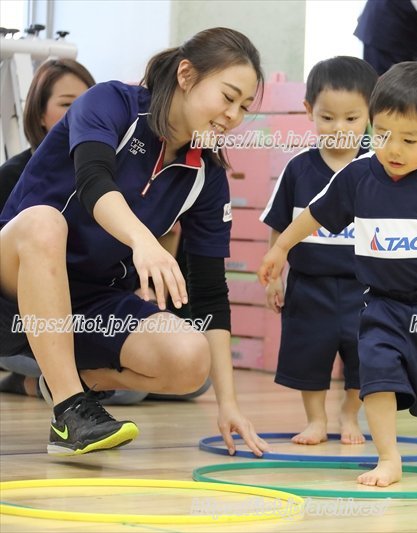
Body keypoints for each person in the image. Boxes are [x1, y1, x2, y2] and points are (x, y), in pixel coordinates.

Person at [0, 27, 270, 457]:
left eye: (244, 107)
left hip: (90, 304)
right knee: (44, 223)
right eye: (228, 96)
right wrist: (144, 240)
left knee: (190, 358)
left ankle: (71, 385)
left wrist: (229, 404)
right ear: (186, 75)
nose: (234, 116)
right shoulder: (110, 102)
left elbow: (211, 294)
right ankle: (70, 411)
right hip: (13, 282)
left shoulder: (207, 177)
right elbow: (93, 181)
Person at [258, 62, 417, 487]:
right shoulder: (358, 174)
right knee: (376, 376)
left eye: (409, 139)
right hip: (380, 303)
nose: (394, 149)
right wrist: (281, 248)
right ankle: (389, 458)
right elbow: (315, 214)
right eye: (383, 134)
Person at [260, 56, 378, 445]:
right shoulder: (298, 169)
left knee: (365, 356)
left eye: (352, 118)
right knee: (308, 355)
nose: (339, 128)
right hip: (309, 286)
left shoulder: (377, 168)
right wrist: (274, 278)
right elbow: (280, 226)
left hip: (366, 287)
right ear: (309, 110)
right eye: (328, 118)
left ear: (370, 114)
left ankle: (350, 414)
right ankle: (315, 419)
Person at [0, 59, 95, 397]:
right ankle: (41, 380)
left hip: (85, 314)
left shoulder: (101, 174)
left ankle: (36, 383)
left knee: (194, 376)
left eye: (88, 103)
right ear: (40, 114)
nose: (80, 114)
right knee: (126, 389)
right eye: (67, 104)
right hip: (24, 324)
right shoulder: (12, 175)